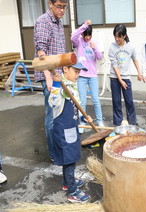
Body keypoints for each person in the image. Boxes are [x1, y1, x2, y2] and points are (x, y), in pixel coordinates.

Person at [48, 62, 91, 203]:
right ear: (65, 69)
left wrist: (84, 117)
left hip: (71, 129)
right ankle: (73, 192)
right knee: (69, 161)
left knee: (69, 160)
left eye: (79, 72)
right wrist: (55, 84)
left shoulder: (71, 87)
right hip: (62, 131)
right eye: (76, 71)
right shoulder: (60, 88)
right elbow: (53, 103)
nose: (78, 75)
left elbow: (75, 107)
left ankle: (67, 183)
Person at [34, 0, 68, 161]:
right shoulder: (43, 21)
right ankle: (54, 154)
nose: (62, 10)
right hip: (49, 77)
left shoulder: (59, 23)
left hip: (58, 75)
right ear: (50, 4)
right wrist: (49, 78)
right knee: (51, 116)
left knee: (60, 114)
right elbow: (42, 52)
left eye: (64, 7)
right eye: (59, 6)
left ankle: (60, 147)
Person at [71, 19, 104, 134]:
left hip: (93, 76)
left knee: (95, 99)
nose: (88, 38)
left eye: (89, 35)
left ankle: (100, 121)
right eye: (86, 35)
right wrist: (84, 26)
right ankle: (82, 123)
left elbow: (100, 57)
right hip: (82, 76)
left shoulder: (94, 42)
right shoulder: (78, 41)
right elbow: (72, 37)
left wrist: (94, 48)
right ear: (83, 33)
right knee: (82, 101)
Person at [108, 24, 143, 126]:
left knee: (129, 101)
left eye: (119, 36)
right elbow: (114, 66)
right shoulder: (112, 47)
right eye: (115, 36)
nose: (116, 39)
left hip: (126, 77)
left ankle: (132, 122)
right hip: (115, 77)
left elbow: (135, 59)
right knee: (116, 101)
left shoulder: (130, 47)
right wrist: (120, 80)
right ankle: (118, 122)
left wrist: (139, 72)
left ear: (124, 36)